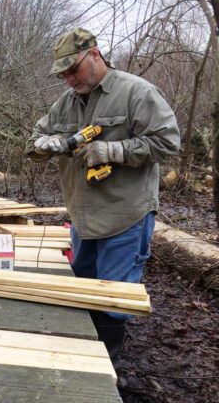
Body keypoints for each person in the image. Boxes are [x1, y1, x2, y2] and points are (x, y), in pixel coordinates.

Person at [28, 27, 180, 358]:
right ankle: (84, 354)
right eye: (63, 73)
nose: (69, 78)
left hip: (124, 217)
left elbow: (168, 142)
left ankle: (108, 365)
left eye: (74, 69)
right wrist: (43, 146)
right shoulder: (65, 104)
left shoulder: (136, 93)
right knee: (85, 287)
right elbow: (34, 139)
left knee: (113, 297)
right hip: (82, 217)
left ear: (94, 55)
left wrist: (111, 151)